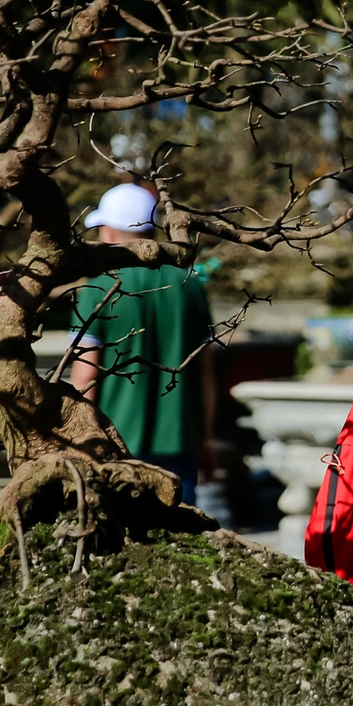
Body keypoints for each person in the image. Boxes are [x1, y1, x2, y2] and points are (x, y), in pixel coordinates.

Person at [68, 183, 216, 505]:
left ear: (109, 232)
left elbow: (84, 376)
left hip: (116, 441)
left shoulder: (98, 288)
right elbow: (205, 372)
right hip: (181, 438)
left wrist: (83, 440)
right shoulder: (191, 284)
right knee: (183, 540)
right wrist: (205, 438)